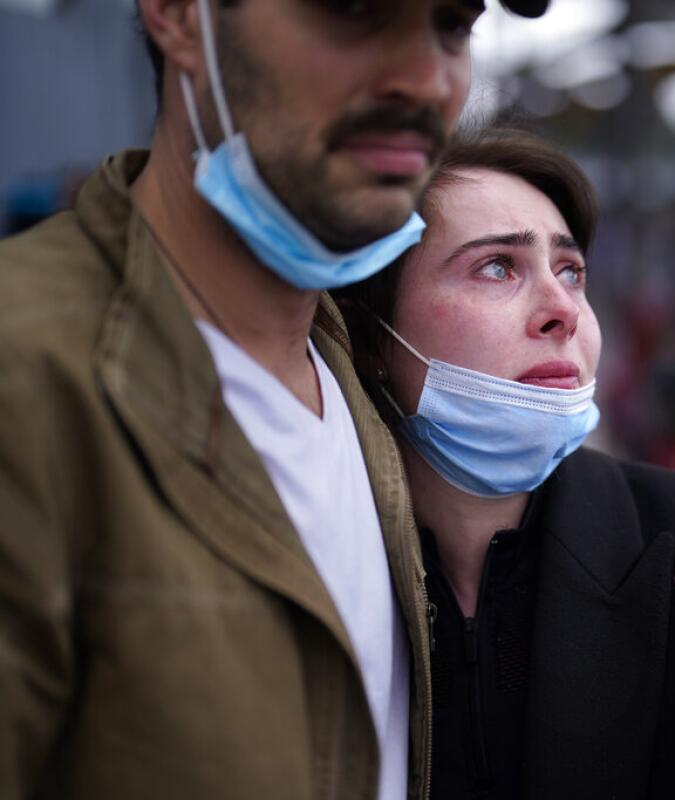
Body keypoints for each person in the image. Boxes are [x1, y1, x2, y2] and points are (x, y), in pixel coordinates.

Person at [0, 1, 548, 798]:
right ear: (180, 18)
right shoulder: (28, 382)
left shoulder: (353, 375)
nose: (428, 80)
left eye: (453, 23)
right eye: (357, 10)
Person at [336, 130, 675, 798]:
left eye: (570, 272)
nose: (562, 310)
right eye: (497, 267)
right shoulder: (324, 563)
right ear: (371, 337)